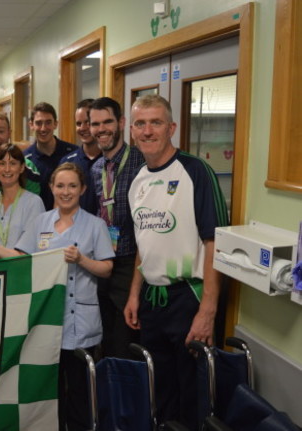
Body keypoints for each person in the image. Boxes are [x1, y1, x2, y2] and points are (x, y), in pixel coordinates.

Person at [0, 163, 114, 431]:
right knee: (47, 392)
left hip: (79, 323)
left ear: (82, 189)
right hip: (45, 319)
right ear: (51, 188)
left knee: (79, 392)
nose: (66, 191)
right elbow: (21, 258)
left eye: (72, 186)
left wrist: (82, 259)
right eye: (60, 186)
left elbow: (107, 269)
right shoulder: (41, 222)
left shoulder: (95, 225)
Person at [124, 94, 228, 428]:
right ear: (132, 130)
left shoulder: (195, 171)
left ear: (172, 128)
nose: (147, 130)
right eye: (140, 123)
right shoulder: (137, 180)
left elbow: (214, 242)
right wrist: (134, 294)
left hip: (190, 298)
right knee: (161, 389)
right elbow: (145, 241)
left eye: (155, 122)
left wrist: (207, 311)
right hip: (153, 302)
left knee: (192, 395)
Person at [89, 96, 145, 360]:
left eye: (107, 122)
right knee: (103, 339)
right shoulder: (95, 168)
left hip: (129, 263)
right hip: (100, 264)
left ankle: (125, 398)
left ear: (121, 123)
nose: (101, 129)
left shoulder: (141, 162)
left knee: (125, 342)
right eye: (95, 124)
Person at [0, 144, 44, 263]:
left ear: (22, 167)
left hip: (20, 272)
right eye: (2, 163)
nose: (7, 169)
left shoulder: (33, 203)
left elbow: (26, 253)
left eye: (13, 163)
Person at [23, 102, 79, 210]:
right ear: (31, 125)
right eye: (39, 123)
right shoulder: (24, 160)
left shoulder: (73, 154)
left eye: (48, 122)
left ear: (55, 124)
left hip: (70, 220)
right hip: (36, 221)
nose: (43, 128)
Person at [59, 99, 101, 213]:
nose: (83, 128)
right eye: (78, 123)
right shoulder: (67, 162)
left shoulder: (109, 160)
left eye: (87, 122)